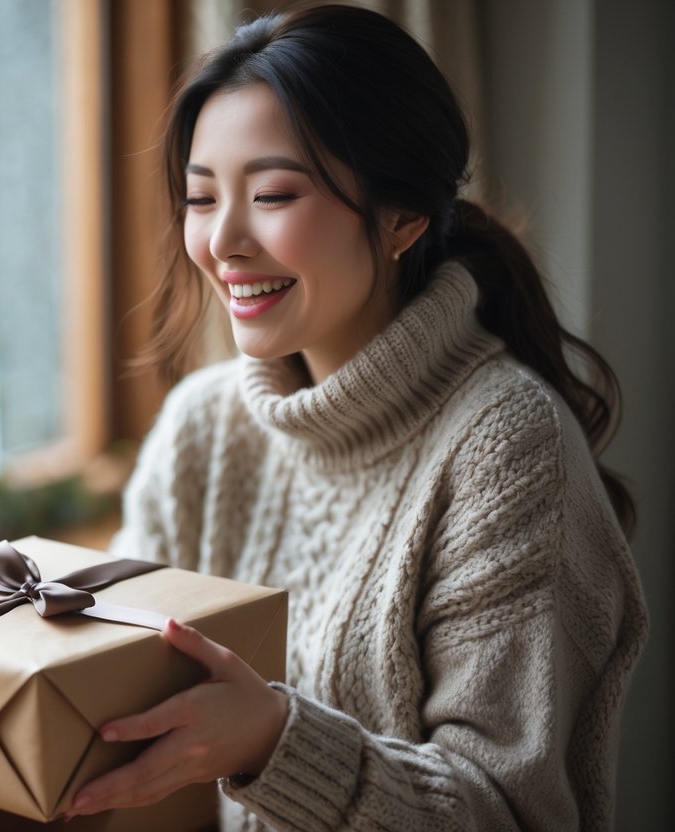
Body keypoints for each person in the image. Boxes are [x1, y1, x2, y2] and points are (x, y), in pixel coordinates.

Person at [66, 5, 648, 831]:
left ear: (403, 216)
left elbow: (510, 812)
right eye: (200, 198)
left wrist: (272, 743)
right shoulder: (202, 428)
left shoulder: (507, 451)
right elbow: (123, 691)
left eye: (271, 194)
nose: (223, 241)